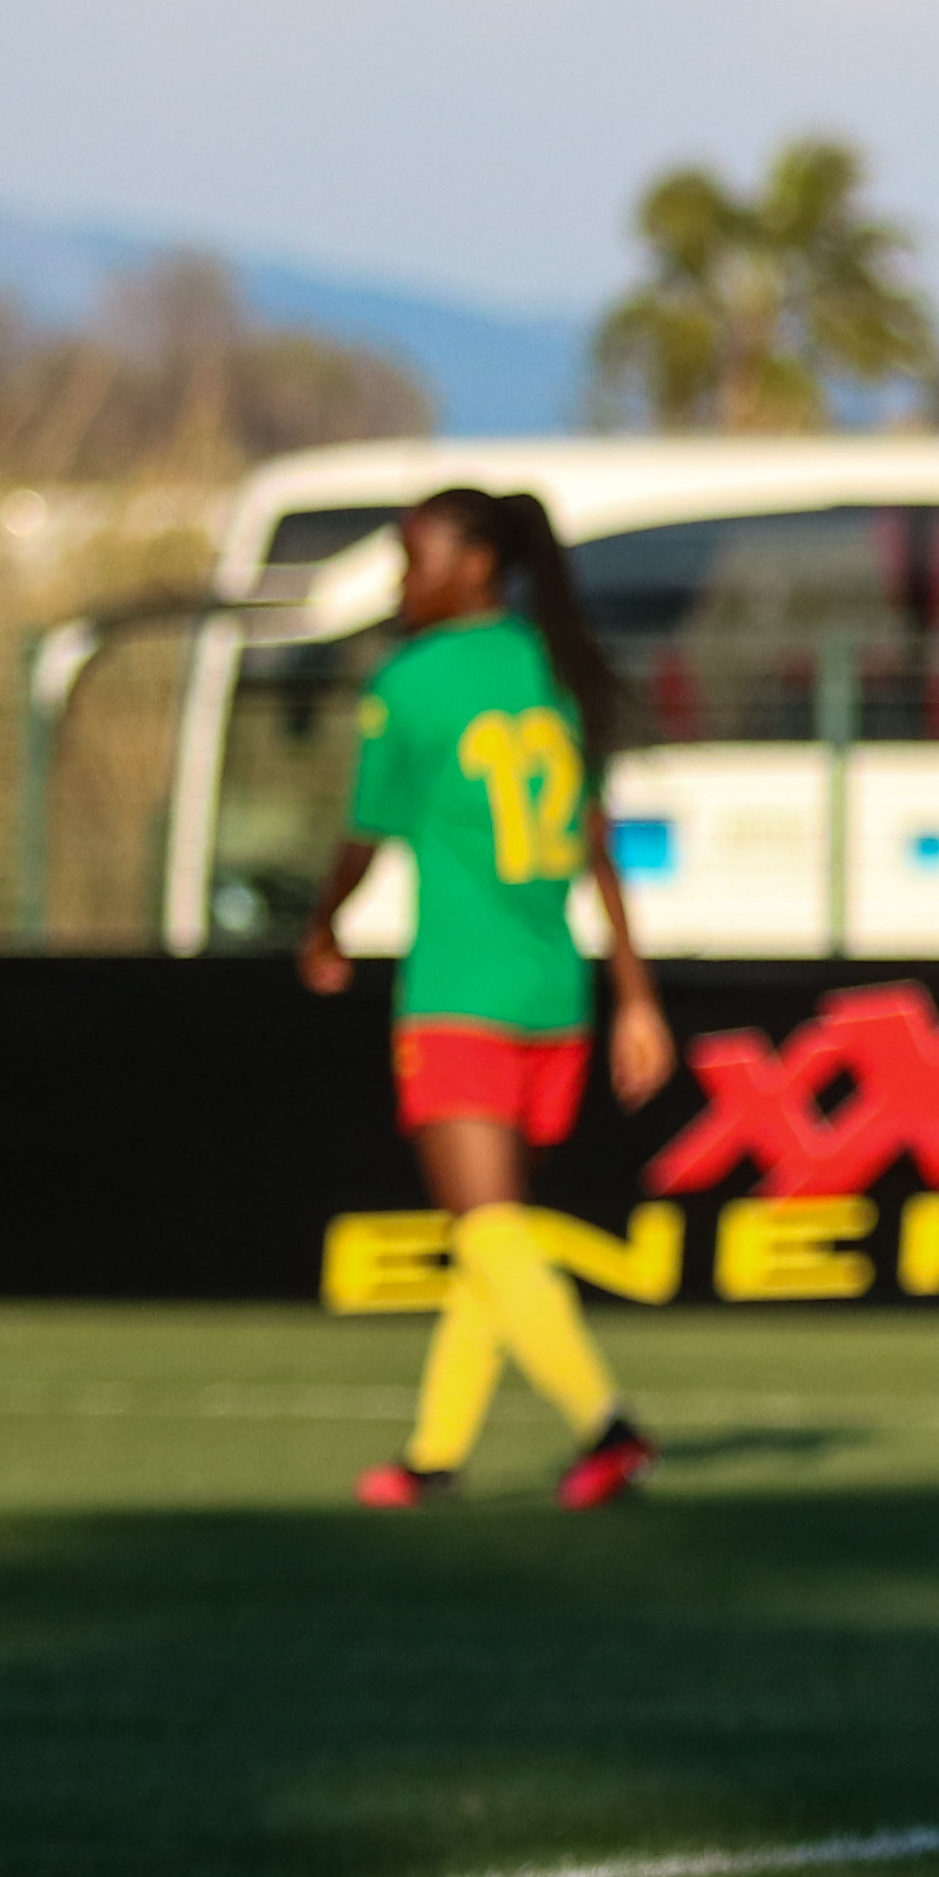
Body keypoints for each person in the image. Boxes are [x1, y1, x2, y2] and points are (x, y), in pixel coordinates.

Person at [298, 487, 667, 1514]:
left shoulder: (413, 681)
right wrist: (636, 999)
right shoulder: (556, 668)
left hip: (460, 992)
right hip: (559, 993)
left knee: (490, 1228)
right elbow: (597, 846)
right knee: (490, 1237)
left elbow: (362, 833)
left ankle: (608, 1424)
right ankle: (432, 1457)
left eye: (413, 559)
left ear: (474, 567)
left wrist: (321, 926)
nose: (400, 582)